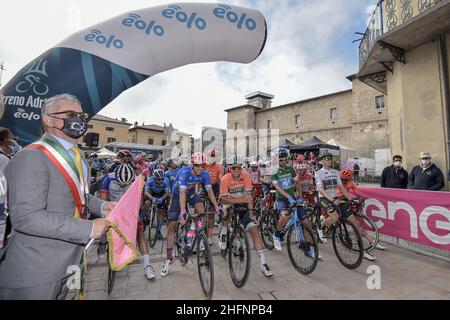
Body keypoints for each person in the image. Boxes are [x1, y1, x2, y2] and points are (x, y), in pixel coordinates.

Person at [0, 94, 115, 300]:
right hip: (37, 270)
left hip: (72, 263)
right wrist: (88, 228)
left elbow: (80, 197)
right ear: (49, 119)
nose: (79, 120)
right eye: (71, 114)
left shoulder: (78, 157)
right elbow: (26, 217)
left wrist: (103, 206)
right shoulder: (32, 156)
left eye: (81, 115)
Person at [161, 152, 221, 277]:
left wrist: (216, 206)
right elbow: (182, 193)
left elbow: (210, 192)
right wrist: (183, 211)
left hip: (191, 193)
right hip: (178, 193)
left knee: (201, 210)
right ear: (193, 164)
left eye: (202, 165)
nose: (200, 168)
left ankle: (192, 233)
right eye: (198, 165)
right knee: (172, 225)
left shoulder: (205, 174)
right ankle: (168, 258)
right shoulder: (184, 172)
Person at [219, 155, 274, 277]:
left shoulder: (246, 175)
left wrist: (251, 214)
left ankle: (263, 263)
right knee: (224, 213)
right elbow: (224, 200)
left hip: (242, 204)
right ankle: (223, 233)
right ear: (229, 168)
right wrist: (238, 200)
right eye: (233, 168)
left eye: (238, 168)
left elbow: (249, 198)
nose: (236, 170)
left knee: (254, 230)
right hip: (228, 203)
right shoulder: (225, 179)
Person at [337, 169, 385, 260]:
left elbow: (357, 192)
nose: (343, 181)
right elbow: (339, 195)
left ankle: (371, 242)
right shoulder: (337, 182)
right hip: (335, 202)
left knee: (357, 225)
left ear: (349, 179)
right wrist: (350, 198)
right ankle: (322, 226)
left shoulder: (350, 182)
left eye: (345, 180)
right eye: (341, 179)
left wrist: (359, 198)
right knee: (332, 221)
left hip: (343, 203)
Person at [0, 128, 20, 222]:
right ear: (4, 140)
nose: (15, 142)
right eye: (13, 139)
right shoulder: (3, 158)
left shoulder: (6, 157)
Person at [145, 169, 170, 240]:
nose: (160, 181)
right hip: (152, 193)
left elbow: (166, 193)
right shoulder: (150, 180)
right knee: (147, 202)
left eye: (161, 179)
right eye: (158, 179)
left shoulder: (166, 180)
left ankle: (158, 231)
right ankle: (144, 216)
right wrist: (152, 198)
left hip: (161, 194)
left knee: (160, 213)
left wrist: (162, 198)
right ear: (154, 178)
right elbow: (146, 192)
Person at [204, 148, 223, 245]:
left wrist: (220, 193)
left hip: (214, 187)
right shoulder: (204, 165)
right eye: (210, 156)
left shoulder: (219, 166)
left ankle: (210, 237)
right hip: (204, 187)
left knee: (211, 215)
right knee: (200, 213)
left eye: (213, 156)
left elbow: (220, 180)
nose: (212, 158)